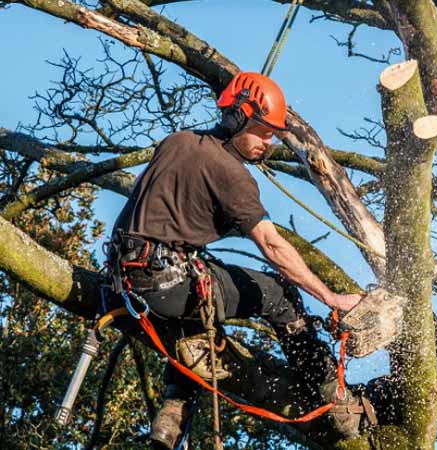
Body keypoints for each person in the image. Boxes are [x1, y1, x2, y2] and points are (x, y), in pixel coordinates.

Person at [108, 72, 370, 449]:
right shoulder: (232, 174)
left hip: (124, 284)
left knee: (197, 329)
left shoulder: (176, 143)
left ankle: (169, 421)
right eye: (263, 132)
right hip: (167, 283)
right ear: (238, 119)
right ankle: (333, 398)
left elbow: (171, 209)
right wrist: (331, 298)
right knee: (278, 293)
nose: (269, 142)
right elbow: (272, 244)